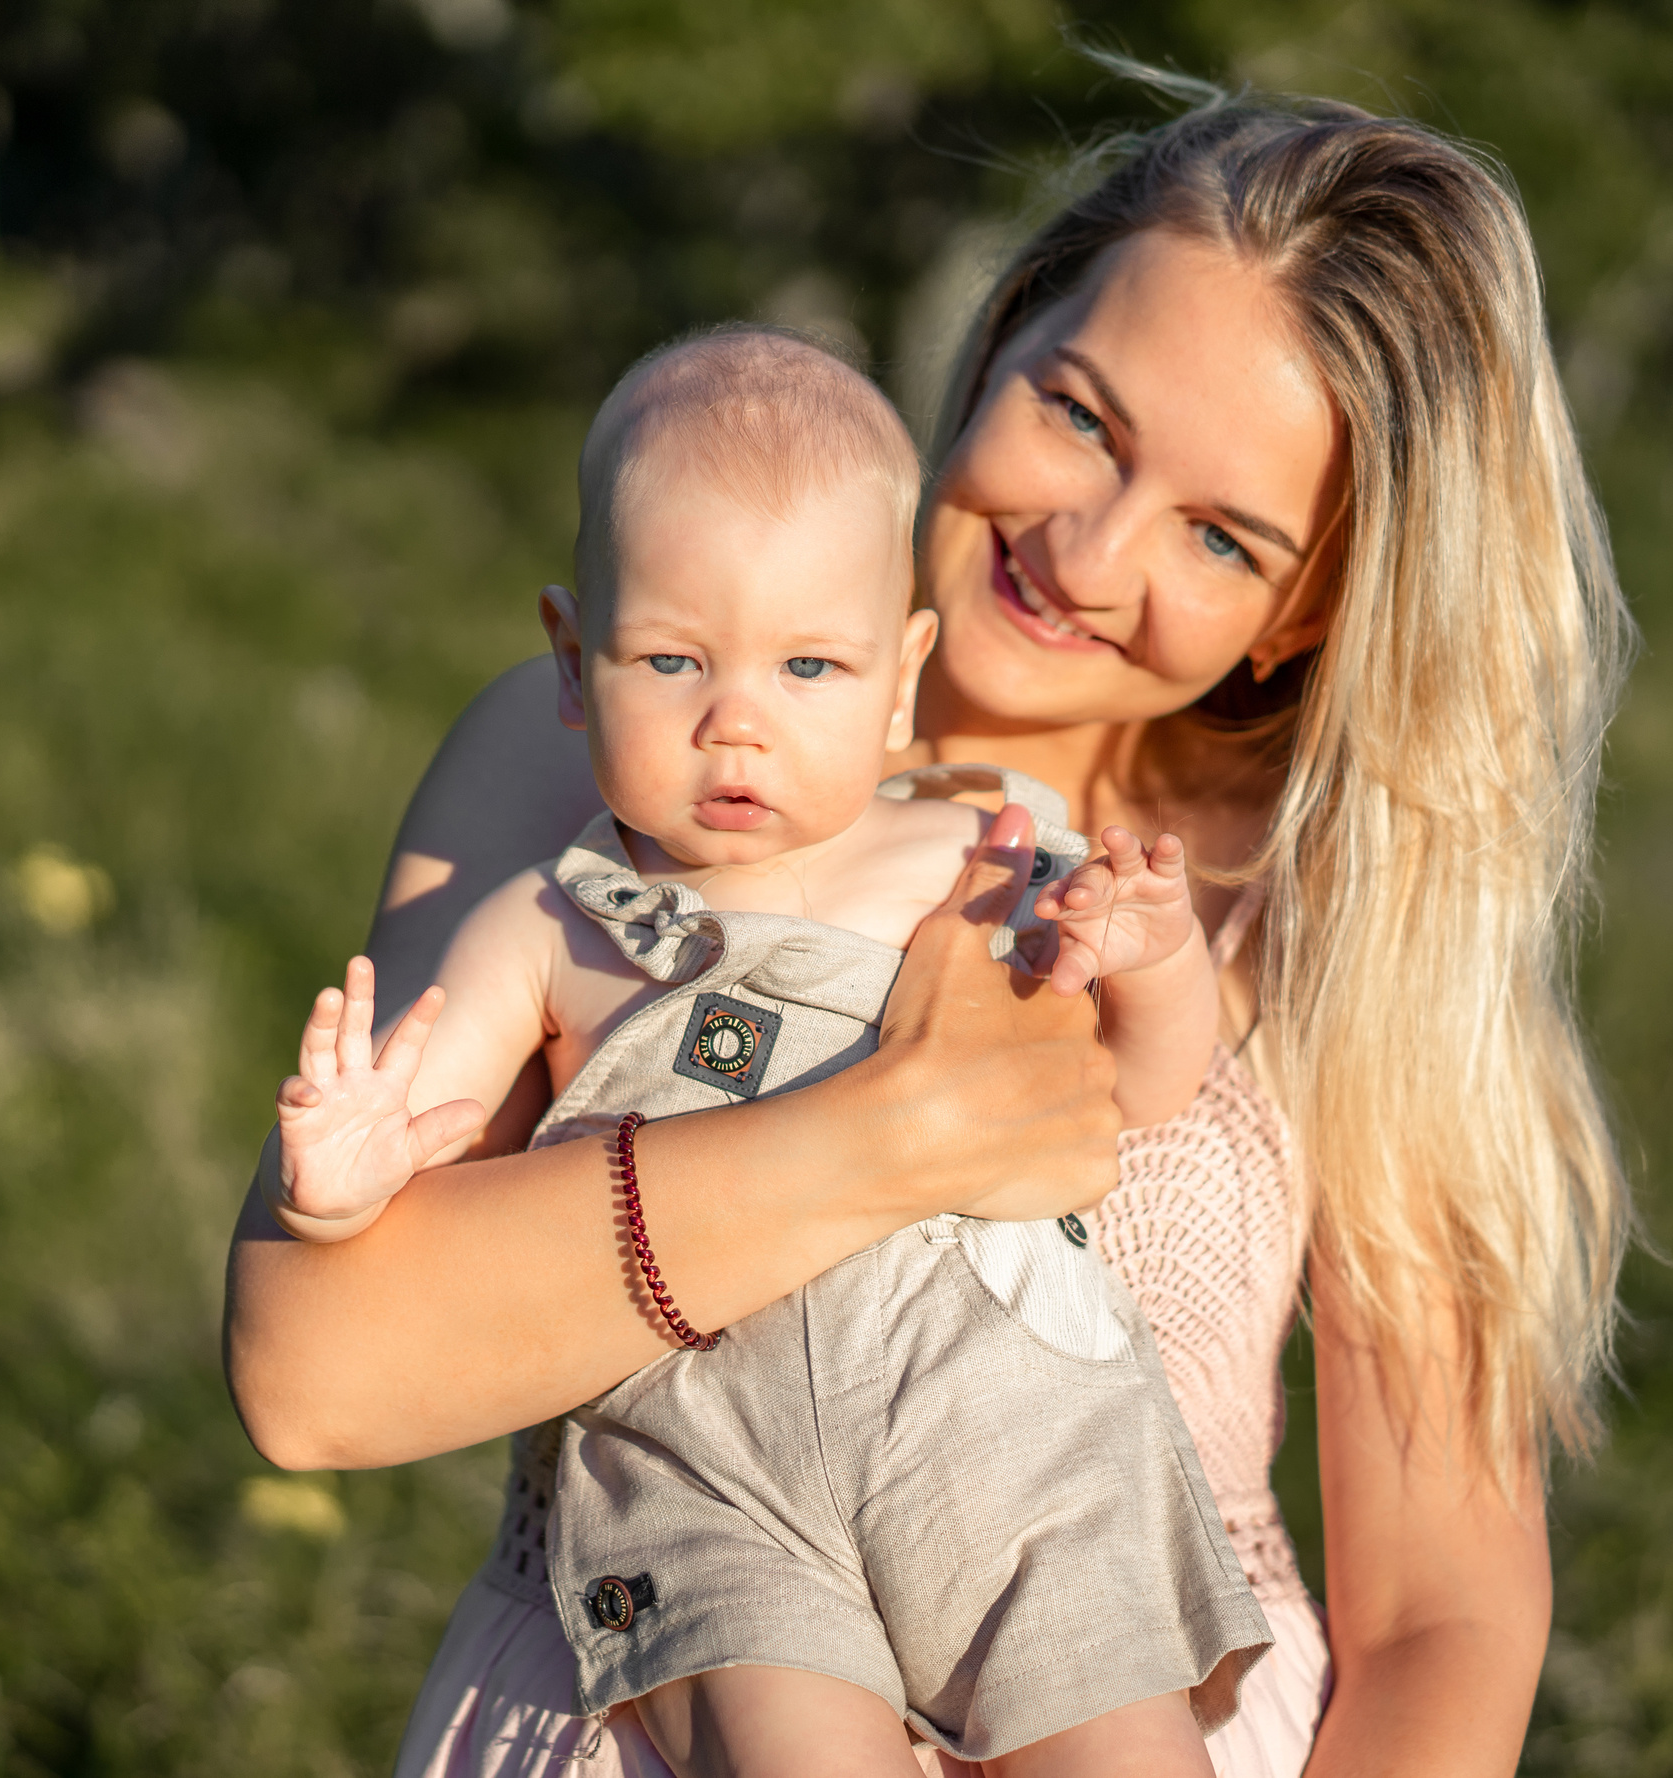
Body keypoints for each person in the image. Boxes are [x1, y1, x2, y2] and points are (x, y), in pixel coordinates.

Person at [224, 66, 1632, 1778]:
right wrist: (891, 1134)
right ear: (1011, 322)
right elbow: (317, 1371)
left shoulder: (1336, 913)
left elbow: (1443, 1620)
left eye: (1220, 533)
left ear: (1306, 607)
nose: (1088, 550)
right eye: (1083, 415)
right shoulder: (608, 760)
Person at [271, 326, 1270, 1775]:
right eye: (674, 659)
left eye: (809, 664)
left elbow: (1141, 1089)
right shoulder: (548, 921)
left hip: (1009, 1439)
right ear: (572, 658)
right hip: (712, 1478)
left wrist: (1157, 956)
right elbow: (421, 1145)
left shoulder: (979, 860)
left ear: (898, 677)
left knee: (1122, 1745)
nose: (736, 722)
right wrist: (341, 1182)